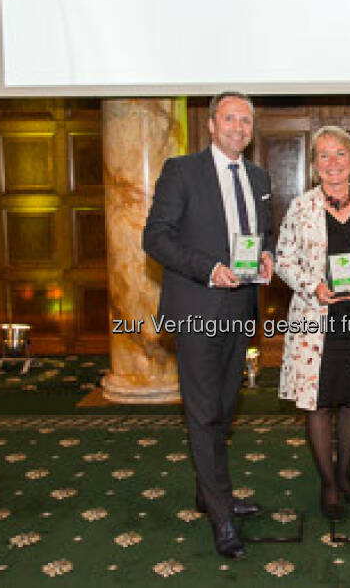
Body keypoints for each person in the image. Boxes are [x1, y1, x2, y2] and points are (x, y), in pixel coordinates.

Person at [142, 91, 274, 559]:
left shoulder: (258, 176)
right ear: (212, 126)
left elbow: (265, 233)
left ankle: (209, 491)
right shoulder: (182, 171)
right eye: (230, 118)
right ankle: (220, 515)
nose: (239, 127)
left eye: (246, 120)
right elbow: (154, 237)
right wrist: (207, 267)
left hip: (239, 311)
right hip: (197, 307)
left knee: (223, 406)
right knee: (202, 413)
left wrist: (267, 256)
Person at [275, 126, 350, 520]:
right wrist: (313, 286)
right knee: (319, 401)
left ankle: (345, 474)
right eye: (323, 156)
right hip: (316, 319)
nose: (332, 163)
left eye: (340, 154)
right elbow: (283, 259)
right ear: (313, 165)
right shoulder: (300, 207)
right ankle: (328, 483)